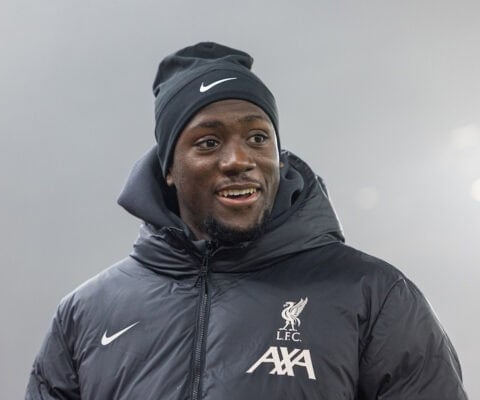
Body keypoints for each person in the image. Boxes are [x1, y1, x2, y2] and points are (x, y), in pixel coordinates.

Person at [25, 42, 467, 400]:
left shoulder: (373, 296)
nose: (239, 160)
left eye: (258, 137)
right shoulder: (86, 315)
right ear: (168, 169)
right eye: (209, 142)